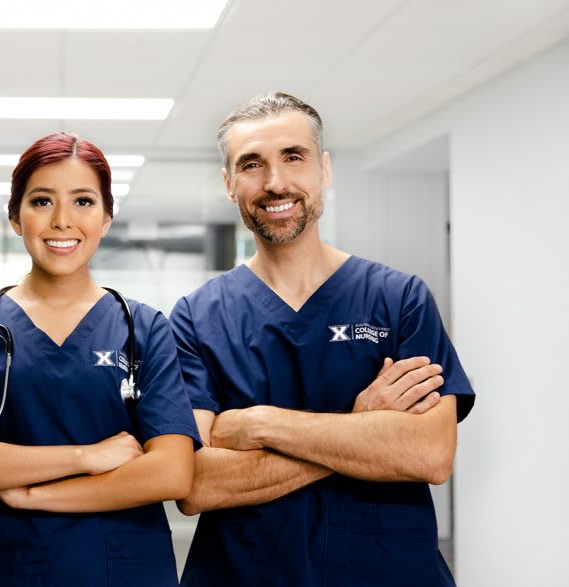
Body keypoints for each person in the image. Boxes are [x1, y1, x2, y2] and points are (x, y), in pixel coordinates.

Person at [171, 92, 475, 587]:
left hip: (388, 571)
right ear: (229, 184)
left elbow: (429, 455)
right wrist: (361, 428)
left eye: (294, 156)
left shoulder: (399, 299)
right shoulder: (196, 317)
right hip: (242, 574)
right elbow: (196, 484)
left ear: (324, 170)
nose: (275, 182)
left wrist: (262, 424)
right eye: (252, 164)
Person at [0, 131, 201, 587]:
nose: (62, 221)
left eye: (84, 201)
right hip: (6, 565)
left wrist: (28, 493)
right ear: (15, 217)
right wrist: (87, 457)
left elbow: (171, 472)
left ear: (107, 217)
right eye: (42, 201)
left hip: (121, 568)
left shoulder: (143, 328)